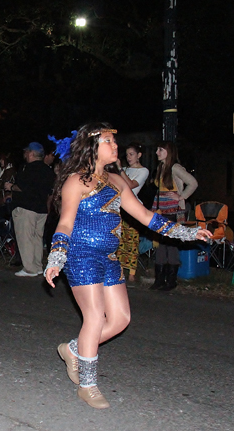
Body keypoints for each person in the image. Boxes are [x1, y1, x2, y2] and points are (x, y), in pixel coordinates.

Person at [45, 123, 211, 409]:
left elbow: (148, 217)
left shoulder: (117, 182)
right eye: (109, 141)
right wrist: (57, 256)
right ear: (93, 147)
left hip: (109, 259)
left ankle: (74, 350)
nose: (115, 146)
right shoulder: (76, 182)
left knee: (120, 319)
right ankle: (88, 385)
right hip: (81, 257)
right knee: (95, 318)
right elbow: (65, 222)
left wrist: (187, 232)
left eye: (115, 141)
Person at [149, 141, 198, 291]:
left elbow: (193, 183)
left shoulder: (175, 168)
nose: (157, 152)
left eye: (160, 149)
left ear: (169, 152)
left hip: (173, 212)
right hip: (160, 211)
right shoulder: (160, 167)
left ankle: (171, 280)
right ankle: (159, 280)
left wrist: (181, 196)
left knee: (171, 245)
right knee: (161, 245)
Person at [3, 142, 55, 277]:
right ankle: (37, 266)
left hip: (26, 207)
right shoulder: (48, 170)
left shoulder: (27, 168)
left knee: (25, 237)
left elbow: (22, 187)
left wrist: (11, 187)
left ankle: (29, 269)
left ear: (31, 153)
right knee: (37, 238)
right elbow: (50, 191)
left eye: (26, 152)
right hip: (41, 208)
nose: (25, 154)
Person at [115, 143, 150, 283]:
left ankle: (132, 273)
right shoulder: (124, 169)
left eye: (132, 154)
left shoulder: (143, 171)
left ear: (139, 155)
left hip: (133, 209)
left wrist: (119, 170)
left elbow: (130, 185)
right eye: (127, 154)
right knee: (120, 241)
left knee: (132, 241)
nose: (129, 157)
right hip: (120, 208)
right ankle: (120, 270)